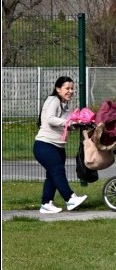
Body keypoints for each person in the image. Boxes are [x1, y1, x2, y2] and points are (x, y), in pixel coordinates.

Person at [33, 76, 88, 214]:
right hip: (45, 145)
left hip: (58, 146)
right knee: (58, 172)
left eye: (72, 88)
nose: (70, 91)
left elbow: (64, 124)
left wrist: (76, 124)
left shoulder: (66, 105)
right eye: (67, 88)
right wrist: (68, 123)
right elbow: (51, 119)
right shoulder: (53, 100)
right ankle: (70, 198)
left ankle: (46, 204)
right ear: (58, 89)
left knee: (52, 175)